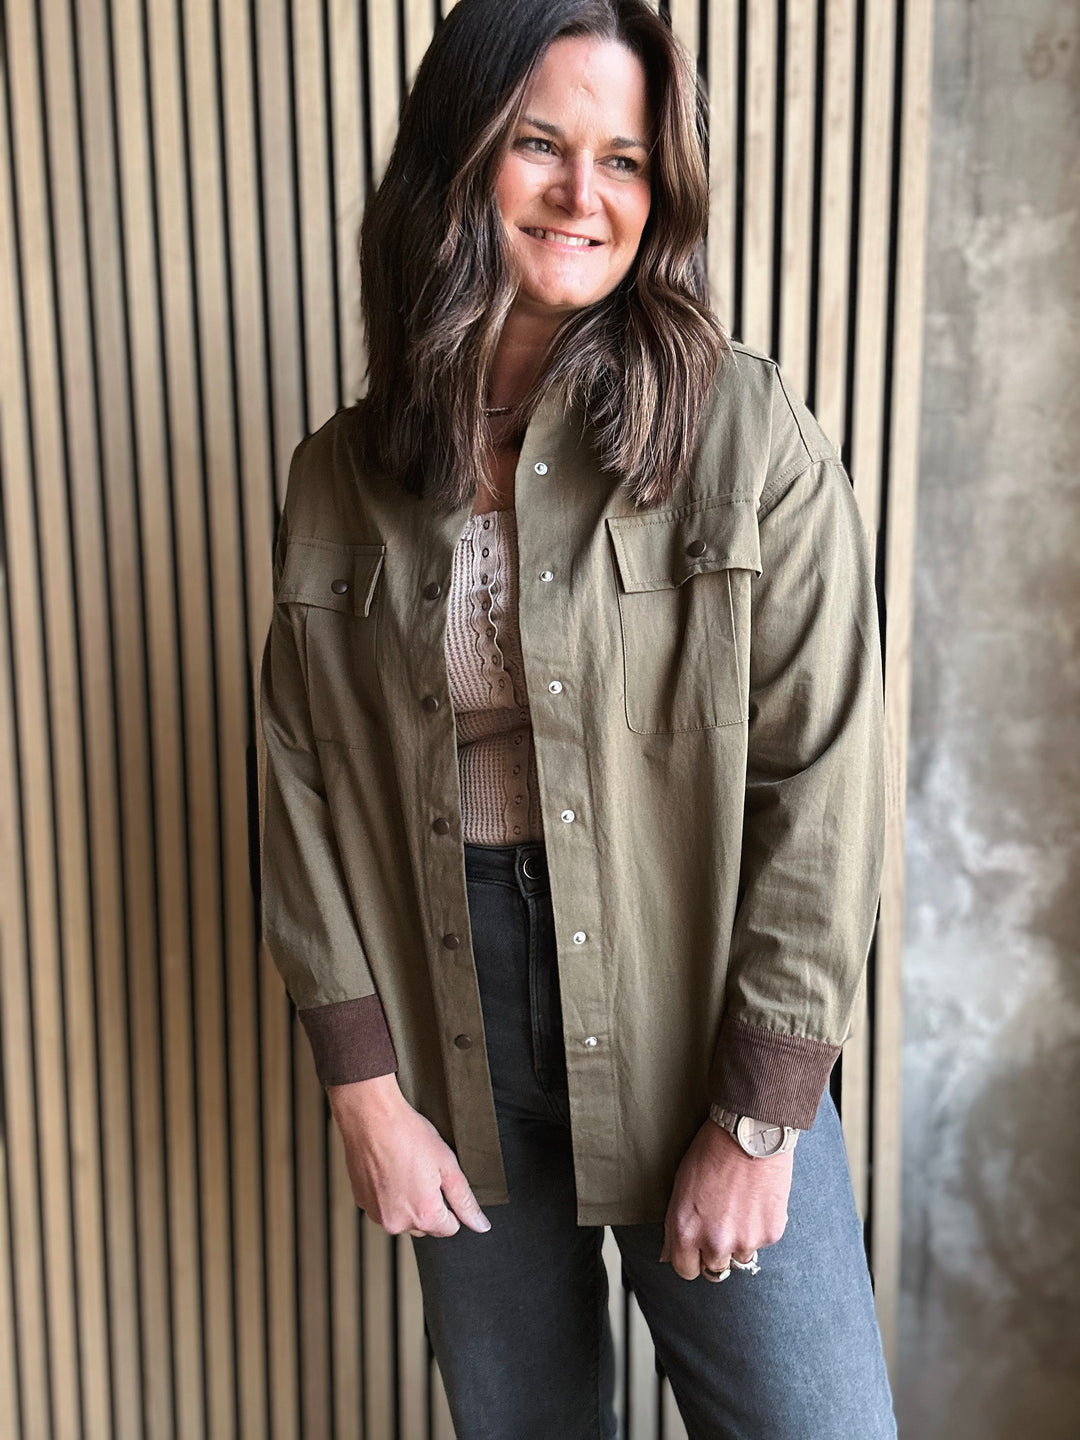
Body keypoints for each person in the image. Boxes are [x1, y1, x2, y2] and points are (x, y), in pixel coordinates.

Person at [258, 1, 897, 1435]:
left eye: (625, 158)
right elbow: (297, 784)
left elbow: (825, 777)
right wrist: (363, 1087)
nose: (583, 195)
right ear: (458, 156)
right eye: (540, 143)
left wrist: (758, 1115)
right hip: (452, 1031)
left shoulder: (745, 432)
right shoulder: (338, 476)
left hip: (693, 1020)